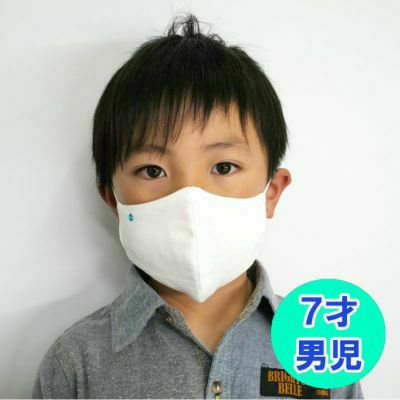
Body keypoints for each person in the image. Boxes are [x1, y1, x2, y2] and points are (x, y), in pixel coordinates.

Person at [32, 12, 364, 399]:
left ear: (271, 192)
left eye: (223, 167)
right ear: (113, 200)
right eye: (152, 170)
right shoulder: (75, 362)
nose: (190, 201)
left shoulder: (324, 349)